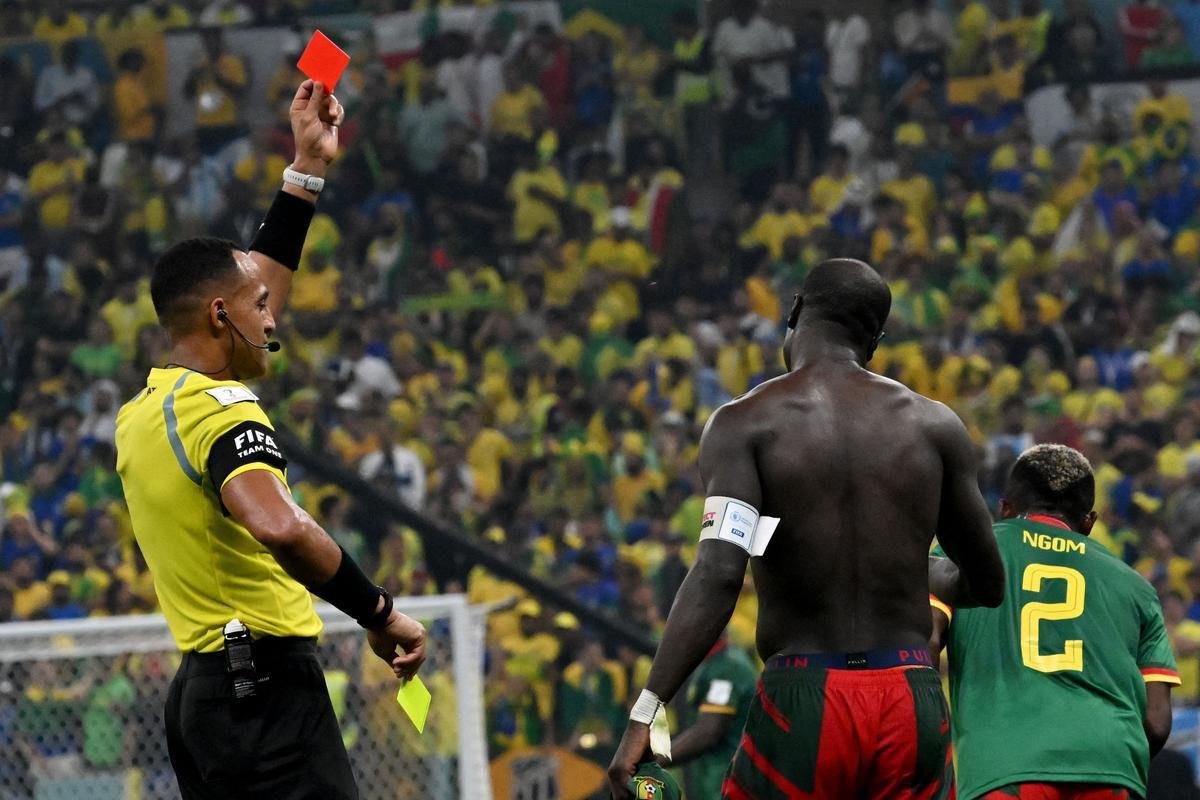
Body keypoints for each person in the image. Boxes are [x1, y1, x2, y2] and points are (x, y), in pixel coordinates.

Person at [115, 80, 426, 799]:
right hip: (264, 697)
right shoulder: (224, 410)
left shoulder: (147, 409)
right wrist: (378, 613)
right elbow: (280, 526)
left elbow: (252, 291)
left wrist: (305, 170)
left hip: (206, 695)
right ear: (221, 318)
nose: (275, 320)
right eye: (262, 308)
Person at [609, 258, 1005, 799]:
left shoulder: (747, 422)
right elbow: (987, 583)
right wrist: (916, 566)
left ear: (794, 309)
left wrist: (647, 710)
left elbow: (721, 576)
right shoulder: (935, 425)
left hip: (807, 697)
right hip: (909, 693)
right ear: (876, 339)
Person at [929, 444, 1177, 800]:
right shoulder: (1137, 586)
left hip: (1004, 766)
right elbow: (1156, 722)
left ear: (1006, 509)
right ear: (1089, 522)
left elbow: (926, 642)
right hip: (1111, 769)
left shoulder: (965, 553)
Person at [668, 632, 757, 798]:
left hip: (727, 786)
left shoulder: (728, 668)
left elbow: (708, 732)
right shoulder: (710, 662)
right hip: (709, 783)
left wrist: (654, 761)